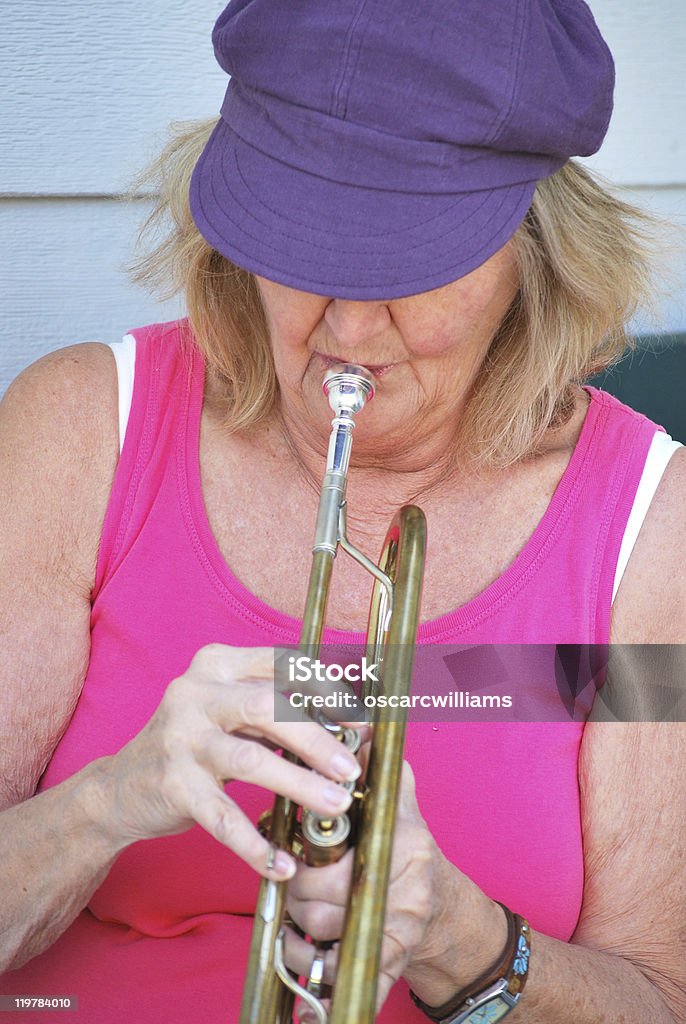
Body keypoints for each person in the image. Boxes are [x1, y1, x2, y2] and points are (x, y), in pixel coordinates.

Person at [0, 1, 685, 1022]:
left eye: (415, 261)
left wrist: (457, 934)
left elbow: (657, 995)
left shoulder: (648, 532)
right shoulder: (80, 427)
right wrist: (110, 800)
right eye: (308, 242)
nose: (350, 328)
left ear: (534, 249)